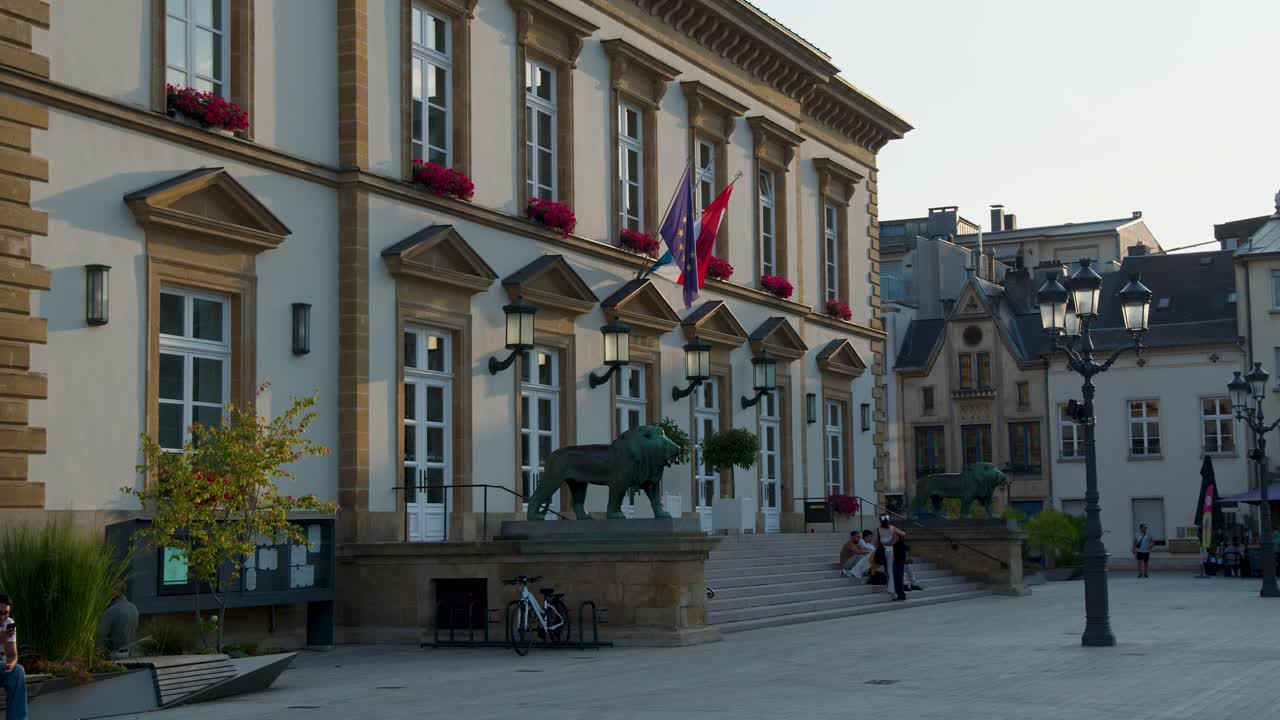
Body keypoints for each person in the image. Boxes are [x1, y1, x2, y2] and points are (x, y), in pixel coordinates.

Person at [0, 593, 27, 720]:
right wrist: (3, 637)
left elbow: (12, 655)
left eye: (6, 613)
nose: (3, 617)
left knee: (18, 671)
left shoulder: (9, 623)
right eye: (0, 613)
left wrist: (11, 665)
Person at [96, 585, 139, 659]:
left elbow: (100, 636)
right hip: (127, 653)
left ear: (116, 592)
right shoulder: (134, 608)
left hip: (112, 655)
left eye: (110, 590)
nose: (108, 593)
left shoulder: (111, 611)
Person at [874, 515, 907, 601]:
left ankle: (891, 588)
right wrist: (895, 535)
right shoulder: (892, 528)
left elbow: (875, 542)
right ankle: (892, 589)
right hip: (892, 550)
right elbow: (903, 533)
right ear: (888, 520)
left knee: (888, 570)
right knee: (891, 570)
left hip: (883, 550)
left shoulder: (878, 530)